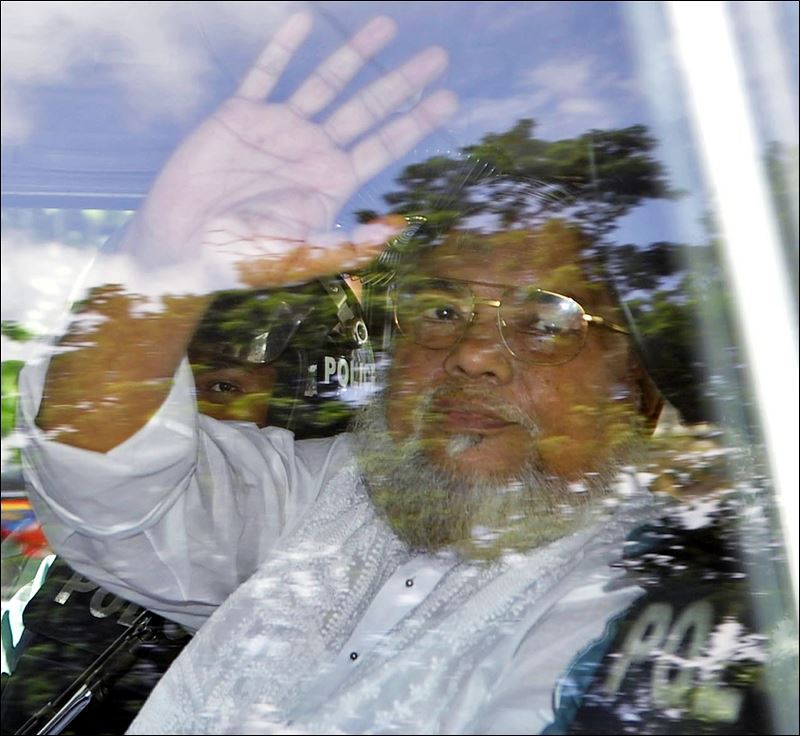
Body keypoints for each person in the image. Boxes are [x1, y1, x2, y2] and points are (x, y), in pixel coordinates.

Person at [16, 12, 774, 735]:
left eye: (545, 322)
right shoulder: (342, 491)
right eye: (441, 310)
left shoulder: (653, 602)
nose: (473, 354)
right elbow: (110, 485)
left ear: (641, 386)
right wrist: (163, 265)